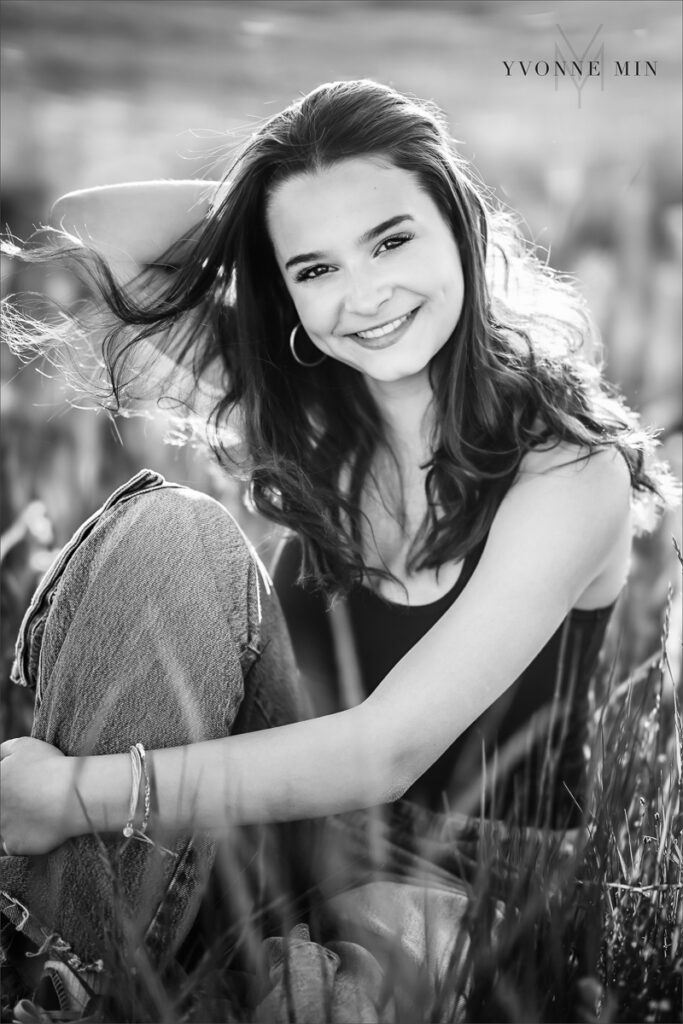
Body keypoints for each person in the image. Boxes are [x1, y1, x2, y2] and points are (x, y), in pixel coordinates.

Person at [0, 78, 674, 1011]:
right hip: (266, 816)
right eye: (314, 268)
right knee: (173, 529)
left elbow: (386, 749)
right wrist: (277, 201)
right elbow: (93, 221)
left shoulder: (565, 470)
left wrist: (72, 796)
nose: (364, 296)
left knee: (315, 1008)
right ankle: (50, 979)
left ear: (462, 229)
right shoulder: (312, 414)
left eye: (392, 239)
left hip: (452, 877)